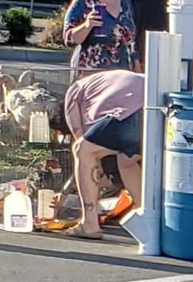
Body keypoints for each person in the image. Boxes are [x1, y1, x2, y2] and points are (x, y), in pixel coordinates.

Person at [62, 69, 145, 239]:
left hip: (132, 112)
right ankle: (145, 217)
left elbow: (82, 141)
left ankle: (89, 224)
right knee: (126, 160)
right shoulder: (105, 83)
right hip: (156, 105)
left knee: (82, 150)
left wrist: (65, 192)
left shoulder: (74, 91)